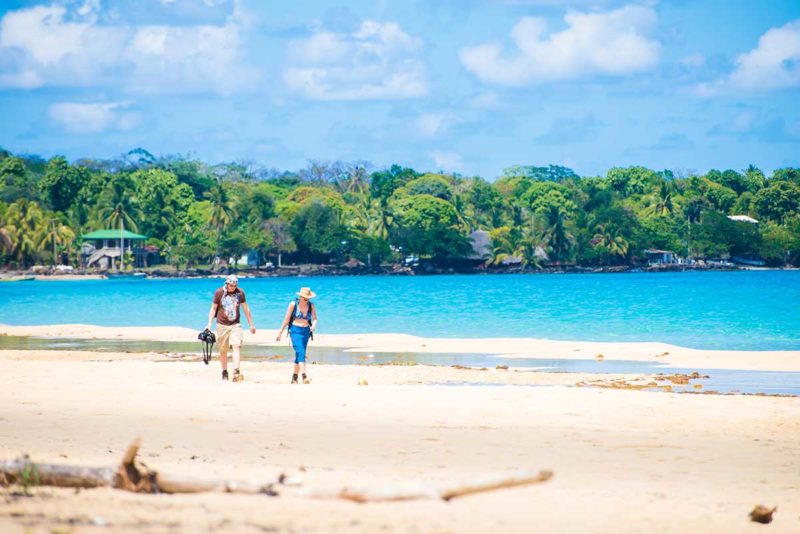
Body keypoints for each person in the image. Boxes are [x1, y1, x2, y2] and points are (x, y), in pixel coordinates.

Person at [205, 274, 255, 382]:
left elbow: (246, 308)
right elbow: (213, 309)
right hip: (222, 325)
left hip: (235, 324)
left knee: (236, 345)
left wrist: (251, 324)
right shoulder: (219, 293)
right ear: (226, 284)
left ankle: (236, 371)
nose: (233, 287)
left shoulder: (240, 292)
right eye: (231, 285)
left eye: (234, 285)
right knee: (223, 350)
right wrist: (209, 324)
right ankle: (224, 371)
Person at [276, 287, 317, 384]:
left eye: (308, 297)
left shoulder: (311, 305)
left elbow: (315, 318)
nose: (306, 299)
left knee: (299, 354)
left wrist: (314, 325)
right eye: (304, 297)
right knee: (301, 351)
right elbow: (286, 319)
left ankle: (294, 377)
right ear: (300, 296)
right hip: (295, 330)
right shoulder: (293, 304)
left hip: (306, 331)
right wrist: (280, 332)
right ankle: (304, 376)